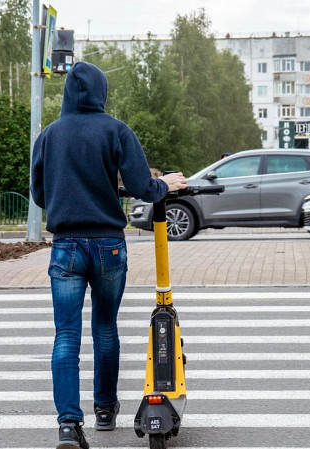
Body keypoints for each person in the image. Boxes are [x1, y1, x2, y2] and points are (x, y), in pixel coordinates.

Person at [30, 62, 187, 449]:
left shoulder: (48, 136)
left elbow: (39, 196)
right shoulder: (116, 130)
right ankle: (104, 410)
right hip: (108, 246)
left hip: (66, 247)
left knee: (65, 336)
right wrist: (162, 184)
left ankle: (69, 426)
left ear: (67, 92)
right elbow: (141, 187)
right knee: (105, 328)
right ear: (101, 92)